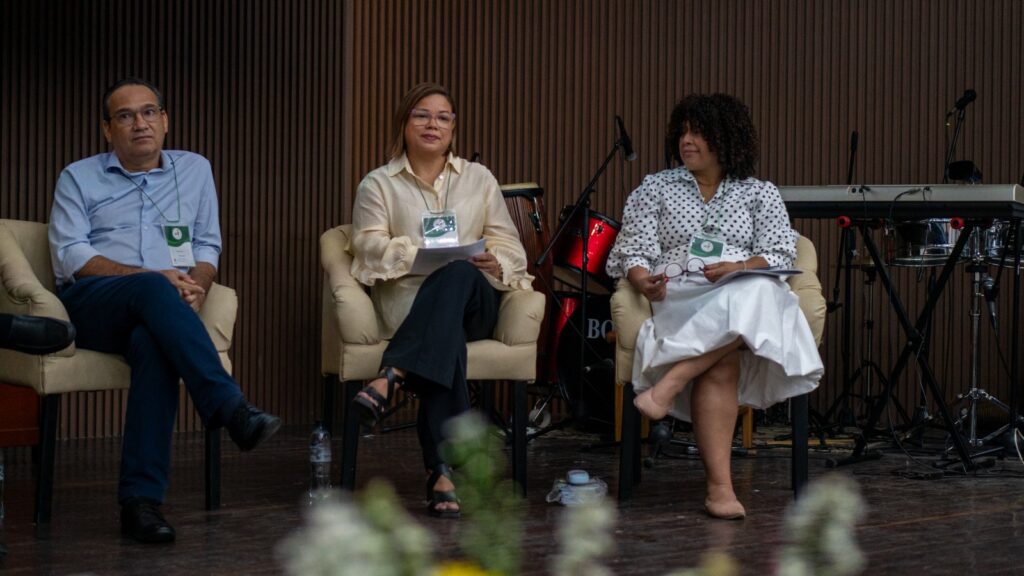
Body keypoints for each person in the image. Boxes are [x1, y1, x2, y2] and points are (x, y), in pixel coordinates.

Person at [48, 78, 281, 543]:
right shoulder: (78, 176)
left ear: (166, 120)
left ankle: (141, 504)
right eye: (125, 116)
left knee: (152, 343)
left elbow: (207, 245)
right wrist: (150, 277)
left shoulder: (195, 169)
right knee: (153, 287)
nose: (140, 123)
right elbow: (71, 255)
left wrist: (198, 286)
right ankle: (228, 406)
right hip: (92, 302)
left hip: (161, 308)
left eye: (149, 112)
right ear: (107, 129)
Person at [606, 93, 823, 520]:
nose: (686, 141)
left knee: (758, 288)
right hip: (681, 293)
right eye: (682, 132)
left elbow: (781, 252)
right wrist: (642, 281)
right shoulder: (656, 187)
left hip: (738, 290)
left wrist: (738, 267)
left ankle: (675, 389)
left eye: (698, 133)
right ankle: (719, 489)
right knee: (735, 335)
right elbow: (632, 249)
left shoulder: (759, 193)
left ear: (725, 138)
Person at [349, 82, 533, 519]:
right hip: (409, 308)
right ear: (404, 123)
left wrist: (495, 260)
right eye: (422, 115)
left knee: (459, 273)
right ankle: (442, 472)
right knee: (443, 339)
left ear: (453, 127)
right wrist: (415, 253)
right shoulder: (378, 184)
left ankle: (392, 372)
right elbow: (367, 246)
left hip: (474, 306)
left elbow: (511, 246)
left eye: (443, 117)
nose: (433, 124)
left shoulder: (478, 179)